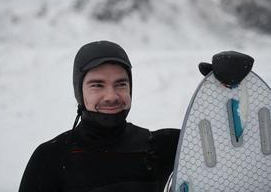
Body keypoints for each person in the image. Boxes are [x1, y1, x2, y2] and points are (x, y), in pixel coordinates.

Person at [19, 40, 180, 192]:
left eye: (121, 84)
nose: (111, 96)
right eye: (97, 85)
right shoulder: (51, 158)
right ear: (80, 92)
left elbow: (203, 139)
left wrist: (206, 90)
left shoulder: (162, 147)